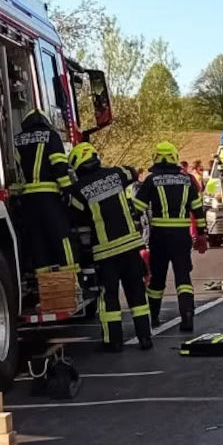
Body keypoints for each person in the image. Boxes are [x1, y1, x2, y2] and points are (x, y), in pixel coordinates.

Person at [65, 143, 152, 352]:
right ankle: (145, 338)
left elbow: (74, 217)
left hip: (106, 253)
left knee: (109, 298)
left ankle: (114, 341)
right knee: (137, 294)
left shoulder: (78, 190)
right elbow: (132, 172)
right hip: (130, 247)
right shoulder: (117, 174)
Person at [136, 141, 207, 332]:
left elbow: (138, 208)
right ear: (174, 157)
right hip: (181, 236)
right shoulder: (186, 180)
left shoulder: (151, 180)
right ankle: (187, 316)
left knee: (157, 277)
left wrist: (134, 232)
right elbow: (197, 210)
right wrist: (201, 235)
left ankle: (153, 316)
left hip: (159, 236)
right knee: (183, 276)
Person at [12, 109, 76, 275]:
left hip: (27, 200)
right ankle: (71, 279)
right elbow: (59, 165)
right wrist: (69, 190)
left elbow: (15, 170)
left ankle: (45, 283)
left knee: (37, 242)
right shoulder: (51, 136)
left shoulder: (17, 140)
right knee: (62, 238)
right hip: (49, 196)